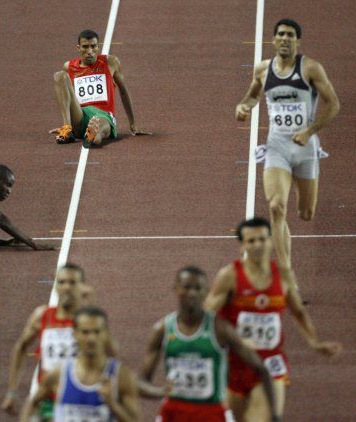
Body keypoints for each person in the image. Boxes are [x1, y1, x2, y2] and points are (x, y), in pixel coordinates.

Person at [205, 217, 342, 421]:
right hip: (236, 363)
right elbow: (206, 317)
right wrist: (231, 340)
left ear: (271, 241)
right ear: (242, 245)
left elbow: (298, 312)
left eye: (262, 239)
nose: (258, 245)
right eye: (251, 241)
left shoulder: (284, 276)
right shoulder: (229, 276)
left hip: (271, 362)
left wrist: (314, 342)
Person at [235, 19, 340, 272]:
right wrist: (244, 106)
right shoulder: (262, 69)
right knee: (276, 207)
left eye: (290, 35)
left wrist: (309, 131)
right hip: (277, 146)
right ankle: (286, 275)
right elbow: (252, 95)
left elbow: (333, 104)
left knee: (306, 213)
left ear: (297, 41)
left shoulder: (311, 69)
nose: (284, 38)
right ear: (273, 40)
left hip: (305, 147)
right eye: (280, 34)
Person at [141, 266, 279, 422]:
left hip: (212, 413)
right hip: (173, 412)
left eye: (197, 288)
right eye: (186, 287)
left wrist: (274, 414)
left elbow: (260, 368)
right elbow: (142, 382)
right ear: (176, 289)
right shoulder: (162, 329)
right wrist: (159, 391)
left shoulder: (220, 329)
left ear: (206, 292)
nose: (192, 293)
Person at [2, 263, 96, 419]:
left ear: (82, 287)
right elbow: (20, 347)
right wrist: (12, 391)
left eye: (72, 282)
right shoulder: (42, 316)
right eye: (61, 282)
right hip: (48, 401)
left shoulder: (90, 321)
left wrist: (91, 303)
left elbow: (107, 353)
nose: (66, 287)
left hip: (82, 401)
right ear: (55, 285)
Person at [21, 306, 140, 422]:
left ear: (106, 334)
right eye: (85, 332)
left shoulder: (120, 377)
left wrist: (113, 405)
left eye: (97, 332)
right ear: (75, 333)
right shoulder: (58, 374)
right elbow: (32, 404)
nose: (91, 338)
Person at [51, 29, 151, 148]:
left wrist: (133, 124)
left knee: (99, 129)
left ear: (98, 47)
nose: (90, 51)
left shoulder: (110, 62)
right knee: (59, 76)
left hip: (103, 115)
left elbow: (123, 92)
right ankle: (67, 129)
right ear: (78, 48)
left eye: (93, 46)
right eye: (85, 47)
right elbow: (67, 98)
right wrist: (68, 120)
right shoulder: (69, 67)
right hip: (80, 114)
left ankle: (93, 136)